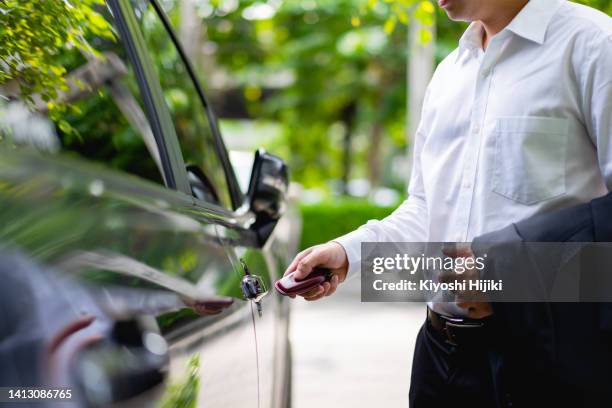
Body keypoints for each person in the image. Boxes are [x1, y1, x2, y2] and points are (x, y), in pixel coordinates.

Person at [283, 0, 612, 406]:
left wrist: (512, 273)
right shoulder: (450, 73)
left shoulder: (595, 45)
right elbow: (427, 208)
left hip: (550, 359)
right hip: (439, 355)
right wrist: (347, 252)